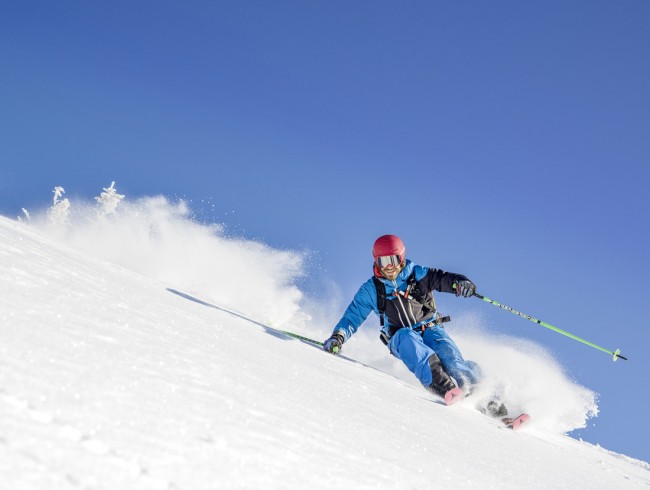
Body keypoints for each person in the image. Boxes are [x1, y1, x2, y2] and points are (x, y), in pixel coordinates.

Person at [323, 234, 482, 405]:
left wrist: (459, 283)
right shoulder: (371, 290)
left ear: (401, 257)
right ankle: (447, 389)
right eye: (383, 261)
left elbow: (442, 279)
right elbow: (352, 317)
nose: (389, 266)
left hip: (431, 328)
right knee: (410, 342)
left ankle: (490, 401)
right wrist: (338, 336)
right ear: (376, 261)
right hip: (399, 336)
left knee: (452, 361)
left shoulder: (417, 274)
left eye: (393, 259)